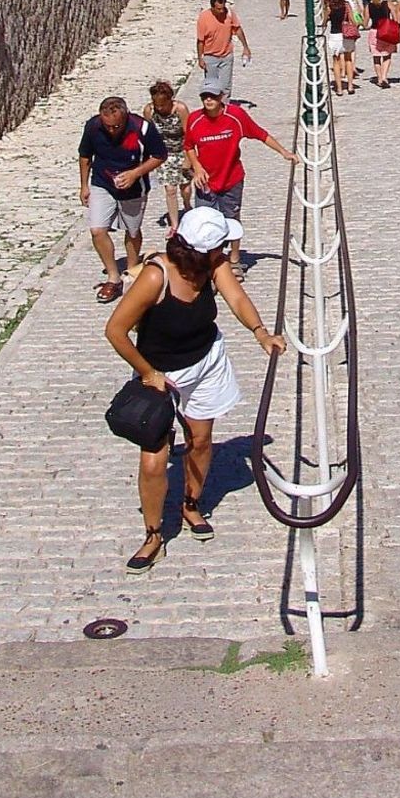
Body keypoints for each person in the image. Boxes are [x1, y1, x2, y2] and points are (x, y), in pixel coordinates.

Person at [104, 207, 287, 573]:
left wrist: (260, 332)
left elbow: (236, 298)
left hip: (206, 361)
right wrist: (148, 372)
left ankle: (191, 504)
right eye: (221, 244)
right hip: (160, 371)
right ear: (201, 249)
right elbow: (115, 330)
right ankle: (153, 534)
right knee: (154, 459)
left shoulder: (212, 264)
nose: (227, 250)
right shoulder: (156, 277)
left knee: (201, 440)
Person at [183, 87, 294, 271]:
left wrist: (284, 152)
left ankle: (234, 259)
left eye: (213, 96)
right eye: (204, 96)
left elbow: (260, 134)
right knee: (204, 223)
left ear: (221, 98)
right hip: (206, 182)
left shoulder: (236, 116)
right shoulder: (195, 119)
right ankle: (208, 264)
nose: (208, 100)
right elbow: (188, 146)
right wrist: (196, 166)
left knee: (232, 218)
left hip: (231, 178)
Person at [78, 95, 167, 302]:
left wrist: (135, 174)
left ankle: (132, 272)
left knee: (132, 230)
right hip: (102, 182)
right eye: (107, 126)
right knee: (97, 229)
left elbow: (159, 155)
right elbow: (85, 156)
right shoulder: (93, 126)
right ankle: (113, 277)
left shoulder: (142, 128)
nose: (111, 130)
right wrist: (84, 185)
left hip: (134, 187)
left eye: (116, 126)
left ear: (125, 117)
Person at [142, 81, 192, 231]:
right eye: (157, 105)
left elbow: (189, 134)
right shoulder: (149, 111)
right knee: (170, 189)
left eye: (163, 105)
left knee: (186, 188)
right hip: (163, 154)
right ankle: (175, 224)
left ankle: (187, 205)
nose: (160, 108)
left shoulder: (181, 109)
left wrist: (188, 159)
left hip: (182, 150)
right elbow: (147, 134)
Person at [195, 0, 250, 101]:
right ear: (212, 8)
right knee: (211, 86)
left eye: (223, 8)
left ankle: (225, 107)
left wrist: (245, 47)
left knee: (226, 85)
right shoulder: (203, 18)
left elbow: (237, 29)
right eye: (218, 9)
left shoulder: (229, 14)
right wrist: (200, 58)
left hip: (226, 55)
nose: (221, 11)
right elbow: (200, 40)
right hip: (210, 56)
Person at [325, 0, 357, 95]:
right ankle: (350, 85)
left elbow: (324, 21)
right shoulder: (346, 5)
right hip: (346, 35)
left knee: (336, 61)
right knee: (348, 59)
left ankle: (339, 88)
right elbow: (353, 20)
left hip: (335, 35)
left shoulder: (330, 7)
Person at [371, 0, 400, 88]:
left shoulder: (369, 6)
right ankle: (384, 77)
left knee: (376, 56)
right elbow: (395, 18)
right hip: (386, 31)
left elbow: (365, 21)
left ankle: (379, 78)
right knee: (387, 55)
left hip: (374, 31)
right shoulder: (388, 4)